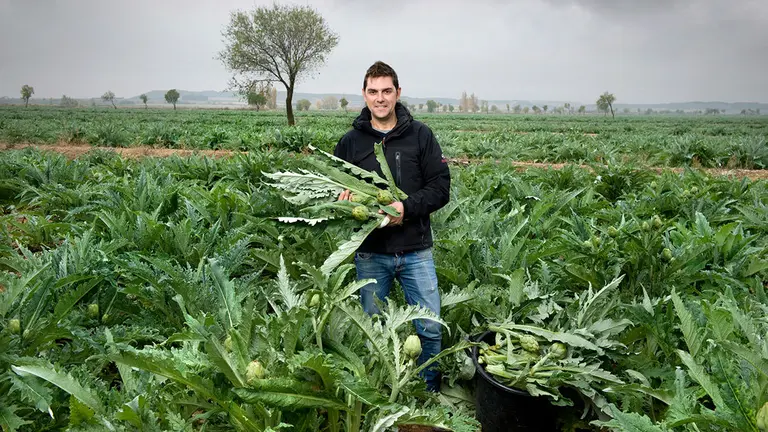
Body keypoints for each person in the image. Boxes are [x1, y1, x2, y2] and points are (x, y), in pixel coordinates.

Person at [333, 61, 451, 392]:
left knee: (429, 326)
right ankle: (379, 391)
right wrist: (340, 200)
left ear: (398, 93)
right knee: (372, 328)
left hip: (416, 250)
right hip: (371, 253)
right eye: (373, 91)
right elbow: (335, 187)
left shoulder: (421, 136)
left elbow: (441, 188)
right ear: (364, 94)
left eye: (387, 91)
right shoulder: (350, 142)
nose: (380, 98)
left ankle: (429, 392)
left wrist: (406, 208)